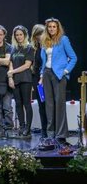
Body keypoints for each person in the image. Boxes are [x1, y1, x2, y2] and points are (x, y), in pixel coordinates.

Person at [40, 17, 77, 145]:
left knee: (59, 104)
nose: (51, 29)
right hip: (46, 74)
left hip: (59, 75)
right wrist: (41, 74)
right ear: (47, 28)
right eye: (49, 27)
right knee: (48, 105)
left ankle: (60, 134)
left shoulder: (63, 40)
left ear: (58, 27)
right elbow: (44, 61)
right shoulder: (44, 40)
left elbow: (73, 58)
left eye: (54, 27)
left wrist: (65, 72)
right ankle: (50, 134)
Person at [9, 25, 34, 138]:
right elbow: (10, 63)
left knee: (26, 104)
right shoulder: (13, 48)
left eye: (21, 35)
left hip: (25, 79)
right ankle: (22, 127)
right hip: (15, 80)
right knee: (18, 104)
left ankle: (28, 129)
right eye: (17, 35)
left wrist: (12, 72)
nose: (19, 37)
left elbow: (27, 65)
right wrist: (10, 77)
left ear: (25, 35)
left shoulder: (29, 48)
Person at [30, 24, 48, 138]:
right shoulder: (34, 48)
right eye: (39, 34)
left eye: (43, 34)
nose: (42, 36)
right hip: (37, 80)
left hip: (46, 78)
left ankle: (52, 130)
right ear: (35, 36)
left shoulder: (48, 47)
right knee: (42, 105)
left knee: (49, 105)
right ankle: (44, 130)